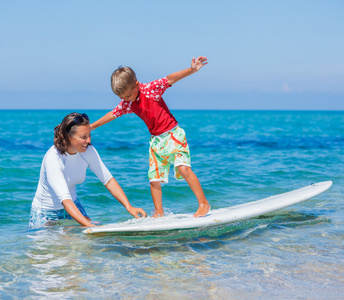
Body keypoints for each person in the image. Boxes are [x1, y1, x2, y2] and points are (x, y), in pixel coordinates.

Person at [91, 56, 211, 218]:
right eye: (122, 97)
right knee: (154, 178)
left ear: (136, 84)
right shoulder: (128, 103)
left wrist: (191, 70)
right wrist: (92, 126)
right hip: (156, 142)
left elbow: (170, 79)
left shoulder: (150, 89)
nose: (125, 99)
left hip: (173, 135)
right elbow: (113, 114)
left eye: (127, 95)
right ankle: (159, 212)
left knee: (183, 168)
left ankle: (203, 203)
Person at [29, 112, 147, 227]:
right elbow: (65, 201)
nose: (89, 141)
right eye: (83, 137)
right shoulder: (53, 158)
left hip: (74, 205)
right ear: (68, 136)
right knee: (51, 246)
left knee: (87, 244)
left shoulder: (88, 151)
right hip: (47, 213)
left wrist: (129, 207)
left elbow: (108, 180)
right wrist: (89, 226)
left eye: (89, 135)